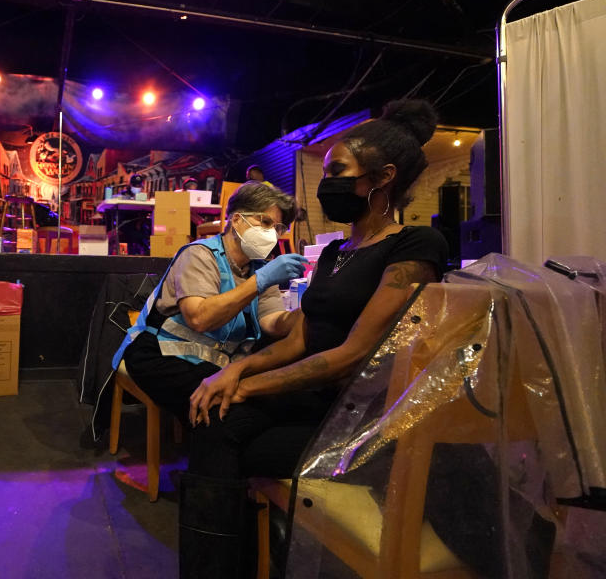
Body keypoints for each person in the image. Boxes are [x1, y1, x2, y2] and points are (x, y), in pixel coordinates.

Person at [183, 99, 448, 577]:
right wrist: (234, 370)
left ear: (383, 177)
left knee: (229, 442)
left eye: (339, 171)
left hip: (361, 418)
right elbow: (298, 341)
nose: (328, 183)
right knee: (209, 419)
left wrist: (245, 388)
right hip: (313, 400)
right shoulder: (336, 253)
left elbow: (353, 356)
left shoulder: (417, 247)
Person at [111, 181, 308, 576]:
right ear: (236, 221)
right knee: (222, 410)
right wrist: (262, 280)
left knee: (261, 403)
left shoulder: (256, 270)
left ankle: (239, 493)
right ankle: (222, 521)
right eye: (265, 222)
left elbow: (271, 322)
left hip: (212, 366)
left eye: (278, 227)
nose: (272, 233)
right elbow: (200, 317)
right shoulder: (199, 255)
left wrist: (309, 304)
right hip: (159, 354)